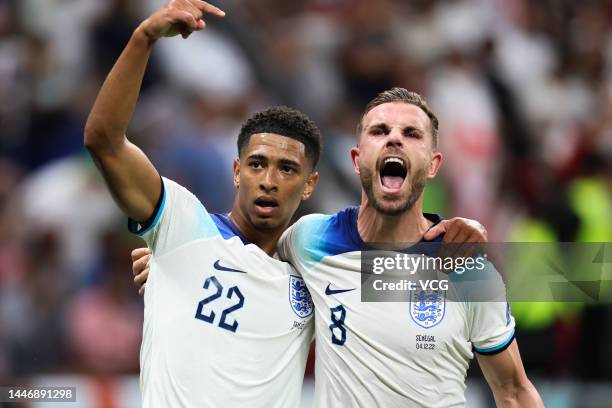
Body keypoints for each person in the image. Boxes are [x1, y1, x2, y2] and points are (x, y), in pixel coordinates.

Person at [91, 1, 488, 407]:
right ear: (236, 171)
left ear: (309, 186)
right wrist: (144, 38)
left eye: (286, 170)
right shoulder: (182, 225)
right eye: (257, 164)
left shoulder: (313, 267)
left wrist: (453, 235)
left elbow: (403, 275)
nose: (268, 181)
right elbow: (104, 142)